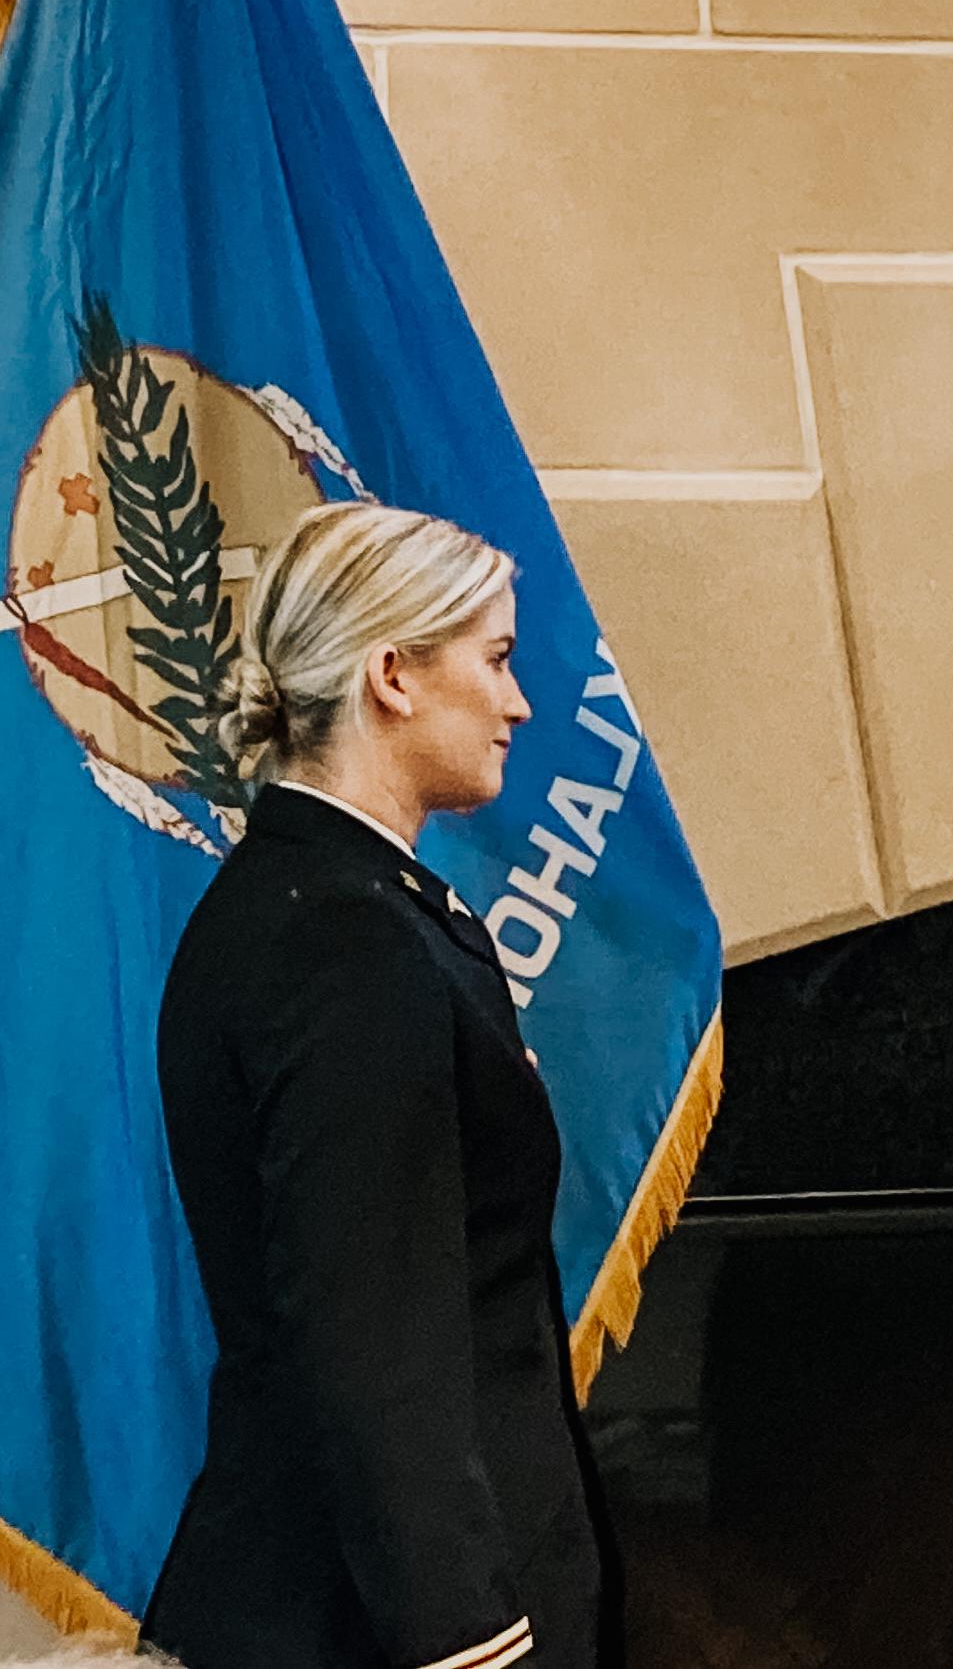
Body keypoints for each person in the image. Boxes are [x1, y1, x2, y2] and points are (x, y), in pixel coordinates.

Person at [141, 503, 621, 1669]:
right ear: (392, 675)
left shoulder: (344, 907)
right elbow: (375, 1344)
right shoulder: (343, 944)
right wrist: (468, 1642)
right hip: (382, 1623)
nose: (518, 703)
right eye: (496, 659)